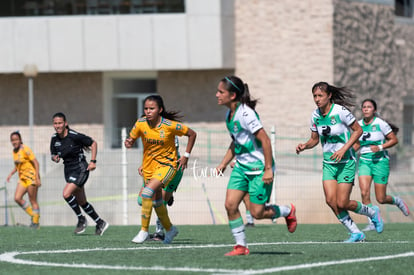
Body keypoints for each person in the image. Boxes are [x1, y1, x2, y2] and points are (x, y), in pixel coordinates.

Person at [215, 76, 297, 256]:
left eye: (221, 92)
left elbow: (265, 140)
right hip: (241, 168)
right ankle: (241, 246)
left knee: (257, 213)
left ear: (233, 95)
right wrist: (223, 163)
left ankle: (287, 210)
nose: (217, 95)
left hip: (259, 169)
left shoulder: (246, 114)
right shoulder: (228, 115)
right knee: (230, 205)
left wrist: (268, 168)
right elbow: (235, 143)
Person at [296, 82, 384, 243]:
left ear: (329, 96)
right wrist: (304, 145)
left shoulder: (340, 111)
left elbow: (359, 130)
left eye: (320, 95)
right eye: (315, 96)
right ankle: (356, 233)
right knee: (331, 201)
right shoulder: (315, 115)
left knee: (342, 202)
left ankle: (372, 213)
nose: (317, 99)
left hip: (346, 162)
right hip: (329, 163)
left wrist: (344, 149)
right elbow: (314, 140)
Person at [124, 95, 197, 244]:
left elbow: (192, 134)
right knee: (156, 201)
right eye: (146, 108)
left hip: (168, 166)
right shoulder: (141, 123)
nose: (148, 111)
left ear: (160, 110)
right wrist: (129, 142)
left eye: (152, 108)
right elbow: (131, 139)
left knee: (147, 193)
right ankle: (170, 229)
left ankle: (144, 231)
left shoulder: (170, 126)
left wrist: (186, 156)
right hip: (149, 168)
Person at [355, 99, 410, 231]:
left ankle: (397, 201)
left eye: (369, 107)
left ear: (374, 110)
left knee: (381, 198)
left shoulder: (380, 124)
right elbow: (356, 143)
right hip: (364, 162)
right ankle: (372, 222)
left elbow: (394, 140)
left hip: (380, 162)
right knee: (364, 192)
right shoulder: (358, 125)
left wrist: (380, 147)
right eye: (364, 107)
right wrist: (349, 151)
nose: (366, 109)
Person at [50, 112, 109, 235]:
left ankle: (81, 219)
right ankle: (100, 222)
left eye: (60, 123)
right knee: (82, 202)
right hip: (68, 170)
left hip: (80, 168)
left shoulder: (74, 136)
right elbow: (54, 154)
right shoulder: (54, 139)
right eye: (55, 123)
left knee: (66, 194)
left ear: (65, 123)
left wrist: (93, 161)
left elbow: (93, 143)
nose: (57, 125)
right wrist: (54, 158)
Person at [137, 136, 184, 241]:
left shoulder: (168, 129)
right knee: (141, 200)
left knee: (161, 201)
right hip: (155, 167)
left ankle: (159, 232)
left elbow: (174, 152)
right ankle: (168, 196)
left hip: (173, 169)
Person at [6, 131, 41, 229]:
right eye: (12, 140)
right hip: (22, 179)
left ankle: (35, 223)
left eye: (16, 139)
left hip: (31, 177)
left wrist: (37, 178)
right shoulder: (14, 151)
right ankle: (34, 216)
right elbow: (18, 165)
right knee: (17, 198)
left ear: (20, 140)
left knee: (32, 200)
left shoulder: (25, 149)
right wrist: (11, 174)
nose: (14, 142)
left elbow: (36, 163)